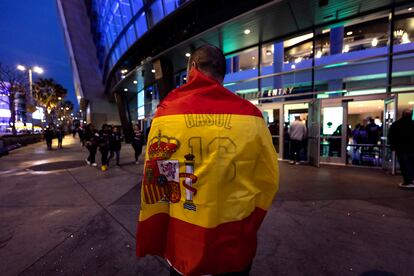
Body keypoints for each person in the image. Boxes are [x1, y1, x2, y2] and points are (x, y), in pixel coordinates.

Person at [136, 44, 279, 276]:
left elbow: (155, 179)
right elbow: (268, 179)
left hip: (185, 243)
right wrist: (250, 222)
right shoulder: (251, 116)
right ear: (223, 73)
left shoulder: (167, 114)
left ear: (193, 67)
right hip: (234, 240)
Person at [388, 109, 414, 189]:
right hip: (412, 147)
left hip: (401, 148)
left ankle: (408, 181)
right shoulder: (412, 124)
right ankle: (411, 179)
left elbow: (391, 136)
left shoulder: (396, 124)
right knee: (412, 163)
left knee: (404, 164)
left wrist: (393, 146)